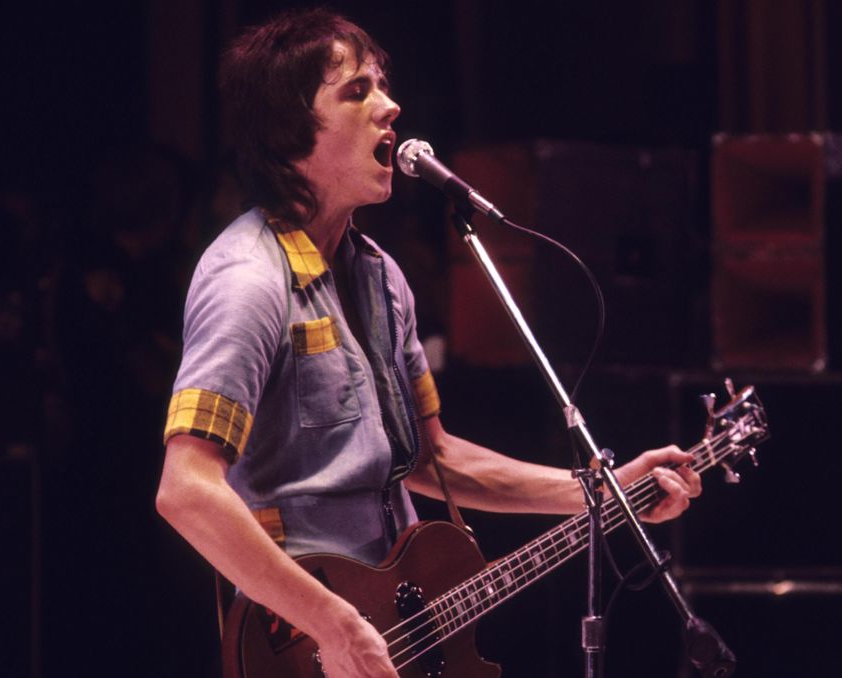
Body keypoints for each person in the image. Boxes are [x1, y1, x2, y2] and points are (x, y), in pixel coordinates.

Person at [154, 9, 701, 678]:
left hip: (399, 636)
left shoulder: (381, 277)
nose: (391, 107)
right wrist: (334, 623)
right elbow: (186, 490)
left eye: (383, 85)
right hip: (307, 649)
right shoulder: (248, 279)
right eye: (357, 91)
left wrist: (601, 489)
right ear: (290, 128)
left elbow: (430, 455)